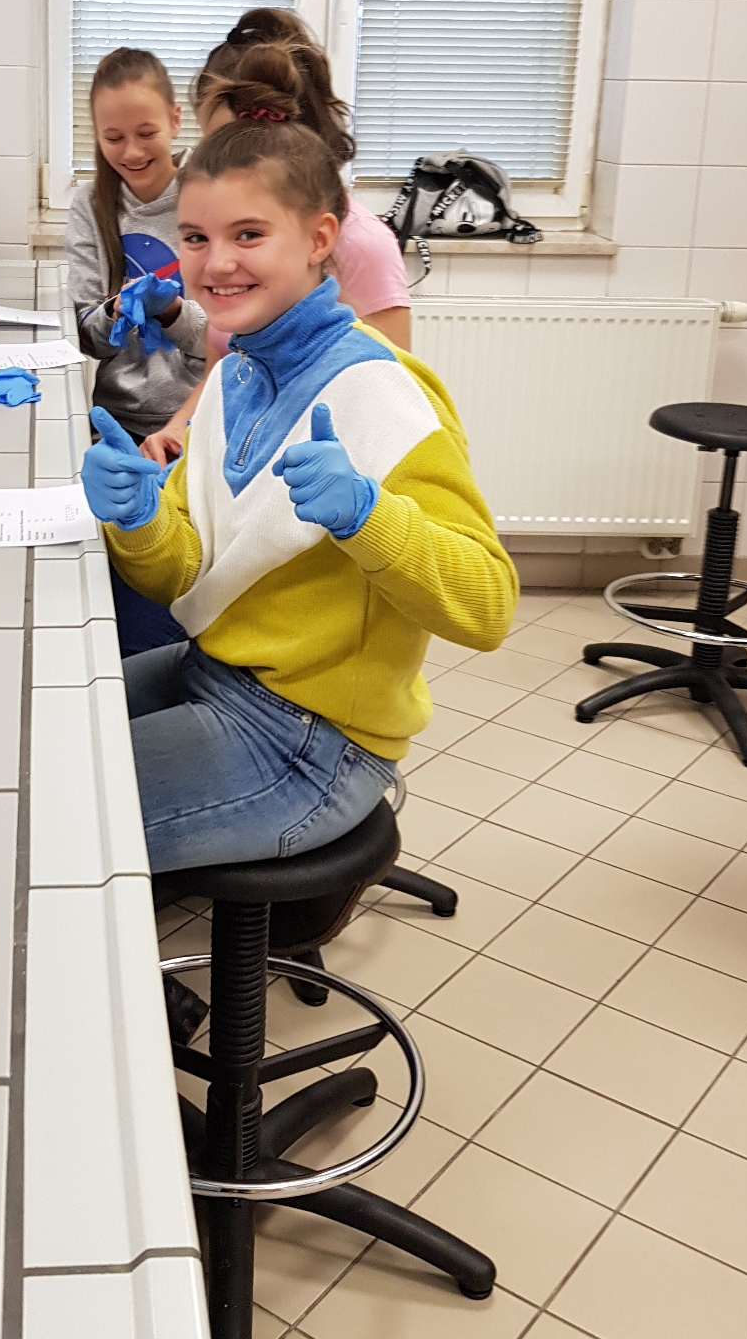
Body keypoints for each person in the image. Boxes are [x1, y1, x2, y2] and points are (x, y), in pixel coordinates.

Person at [80, 75, 517, 875]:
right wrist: (139, 519)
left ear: (319, 239)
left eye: (248, 235)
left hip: (312, 740)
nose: (215, 264)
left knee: (60, 810)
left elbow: (488, 608)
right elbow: (184, 570)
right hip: (215, 668)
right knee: (47, 730)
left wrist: (367, 518)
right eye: (195, 237)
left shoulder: (382, 393)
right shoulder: (235, 375)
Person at [141, 8, 411, 462]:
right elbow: (225, 373)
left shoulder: (362, 244)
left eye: (235, 145)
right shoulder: (225, 249)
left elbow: (389, 403)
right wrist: (179, 432)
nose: (220, 163)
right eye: (212, 145)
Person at [65, 46, 207, 652]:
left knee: (175, 599)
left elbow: (224, 342)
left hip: (192, 430)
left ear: (175, 121)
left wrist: (172, 312)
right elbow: (84, 335)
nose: (131, 151)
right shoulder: (90, 205)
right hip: (118, 428)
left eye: (146, 133)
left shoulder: (206, 196)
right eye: (113, 137)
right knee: (124, 596)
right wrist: (114, 312)